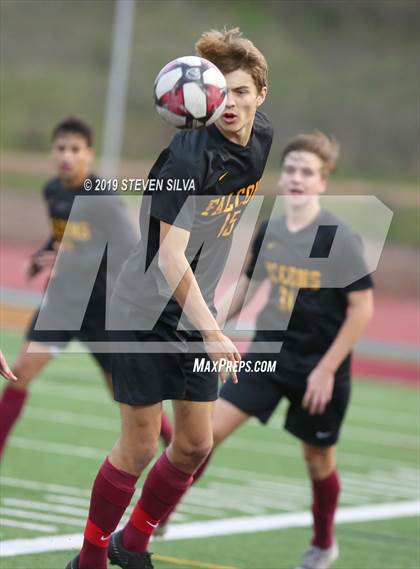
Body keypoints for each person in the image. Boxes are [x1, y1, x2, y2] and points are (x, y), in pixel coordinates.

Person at [66, 27, 272, 569]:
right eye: (220, 92)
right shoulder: (186, 160)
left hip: (193, 312)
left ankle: (131, 545)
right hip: (143, 310)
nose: (230, 103)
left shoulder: (262, 138)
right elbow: (169, 257)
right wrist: (212, 328)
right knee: (138, 448)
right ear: (200, 99)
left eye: (241, 92)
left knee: (194, 446)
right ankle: (89, 559)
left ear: (261, 97)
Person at [160, 132, 374, 569]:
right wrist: (215, 329)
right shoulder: (271, 229)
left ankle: (323, 543)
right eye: (291, 169)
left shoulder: (339, 236)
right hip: (268, 354)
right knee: (206, 437)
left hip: (319, 365)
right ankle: (159, 513)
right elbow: (248, 285)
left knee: (317, 460)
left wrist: (327, 370)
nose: (297, 178)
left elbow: (362, 311)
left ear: (322, 182)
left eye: (307, 172)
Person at [0, 116, 173, 459]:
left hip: (101, 308)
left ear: (88, 155)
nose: (67, 155)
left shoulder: (103, 198)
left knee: (124, 392)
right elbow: (64, 236)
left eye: (75, 149)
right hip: (62, 304)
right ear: (53, 153)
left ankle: (176, 441)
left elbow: (128, 249)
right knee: (19, 373)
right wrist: (42, 256)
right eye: (61, 148)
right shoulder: (53, 190)